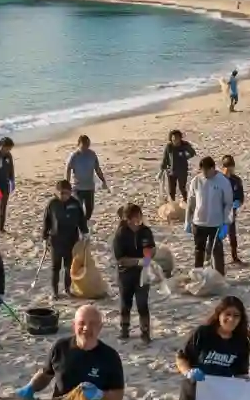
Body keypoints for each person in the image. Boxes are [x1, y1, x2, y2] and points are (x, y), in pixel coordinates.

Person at [111, 203, 156, 344]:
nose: (138, 219)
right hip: (126, 275)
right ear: (128, 219)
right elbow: (121, 260)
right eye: (135, 217)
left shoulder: (145, 231)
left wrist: (147, 259)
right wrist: (138, 261)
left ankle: (145, 332)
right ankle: (124, 330)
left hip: (143, 274)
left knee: (143, 304)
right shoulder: (120, 235)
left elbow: (151, 248)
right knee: (126, 304)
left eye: (139, 215)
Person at [184, 156, 234, 275]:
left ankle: (219, 276)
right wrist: (187, 221)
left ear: (213, 168)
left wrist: (226, 224)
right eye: (202, 171)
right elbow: (191, 202)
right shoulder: (196, 181)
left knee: (216, 251)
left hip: (215, 224)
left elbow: (228, 204)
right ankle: (198, 276)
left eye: (207, 170)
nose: (205, 173)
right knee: (198, 251)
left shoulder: (223, 182)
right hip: (199, 223)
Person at [42, 179, 89, 299]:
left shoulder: (75, 203)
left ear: (70, 192)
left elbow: (81, 220)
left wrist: (85, 233)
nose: (63, 196)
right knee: (55, 267)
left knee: (69, 267)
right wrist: (44, 237)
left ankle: (67, 289)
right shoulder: (52, 204)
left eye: (66, 193)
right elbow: (46, 221)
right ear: (56, 193)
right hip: (56, 241)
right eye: (61, 193)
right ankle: (55, 292)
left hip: (71, 240)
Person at [65, 134, 108, 221]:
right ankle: (79, 225)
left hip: (89, 187)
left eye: (88, 144)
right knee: (78, 209)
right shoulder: (74, 156)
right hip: (77, 188)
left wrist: (103, 180)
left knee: (89, 210)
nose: (86, 146)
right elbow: (68, 169)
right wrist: (67, 184)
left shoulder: (92, 154)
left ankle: (83, 223)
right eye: (84, 144)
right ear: (79, 144)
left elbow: (97, 168)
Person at [222, 154, 245, 265]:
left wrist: (238, 203)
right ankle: (211, 255)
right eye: (227, 166)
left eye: (231, 166)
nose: (229, 169)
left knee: (232, 233)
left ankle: (234, 255)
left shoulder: (237, 180)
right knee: (217, 234)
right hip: (219, 210)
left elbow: (241, 196)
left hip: (231, 211)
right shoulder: (218, 180)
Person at [159, 130, 196, 202]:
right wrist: (162, 169)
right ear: (171, 138)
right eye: (173, 138)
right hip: (171, 171)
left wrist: (185, 156)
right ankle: (172, 204)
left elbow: (192, 153)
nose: (175, 140)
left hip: (182, 171)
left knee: (182, 188)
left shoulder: (185, 145)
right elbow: (165, 158)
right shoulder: (169, 146)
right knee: (171, 190)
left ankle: (186, 201)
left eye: (177, 138)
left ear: (180, 138)